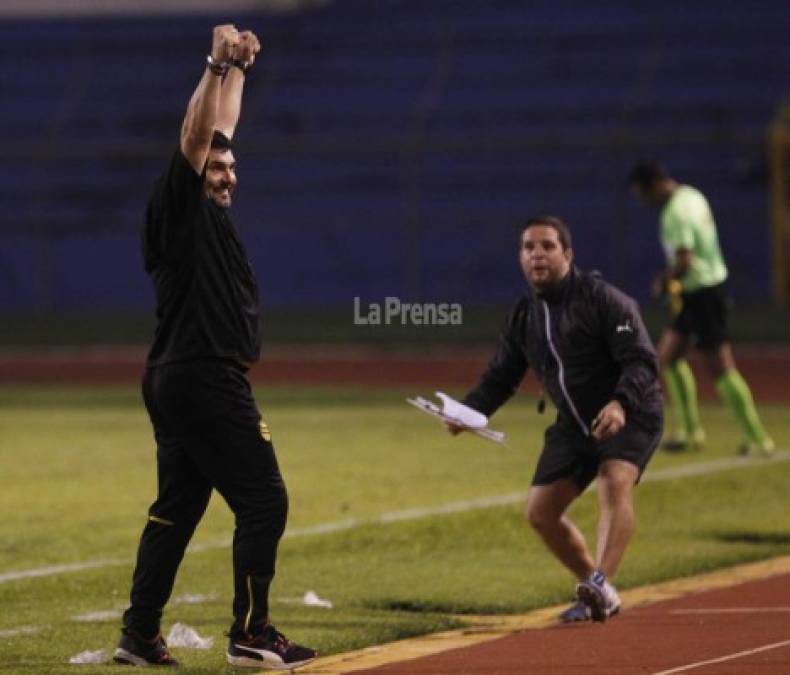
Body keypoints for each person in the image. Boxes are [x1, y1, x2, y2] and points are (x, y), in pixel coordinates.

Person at [114, 25, 316, 670]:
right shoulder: (179, 206)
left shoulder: (211, 211)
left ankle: (139, 635)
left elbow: (219, 126)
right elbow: (198, 135)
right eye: (217, 166)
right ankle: (251, 632)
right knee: (265, 499)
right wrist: (211, 64)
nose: (227, 172)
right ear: (194, 169)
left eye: (233, 166)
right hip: (203, 376)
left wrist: (238, 69)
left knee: (177, 508)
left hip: (179, 375)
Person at [446, 216, 664, 623]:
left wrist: (620, 404)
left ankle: (600, 580)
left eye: (547, 246)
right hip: (574, 423)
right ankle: (601, 592)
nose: (537, 255)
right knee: (540, 514)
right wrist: (467, 413)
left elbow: (641, 360)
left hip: (630, 412)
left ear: (568, 254)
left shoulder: (604, 300)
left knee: (614, 480)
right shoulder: (524, 316)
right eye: (528, 247)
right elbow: (501, 376)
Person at [629, 161, 774, 456]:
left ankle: (758, 439)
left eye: (642, 194)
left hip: (703, 293)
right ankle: (690, 432)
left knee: (720, 367)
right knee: (668, 357)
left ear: (653, 185)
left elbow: (684, 262)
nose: (643, 201)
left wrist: (663, 281)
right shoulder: (692, 196)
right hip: (701, 290)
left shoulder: (674, 213)